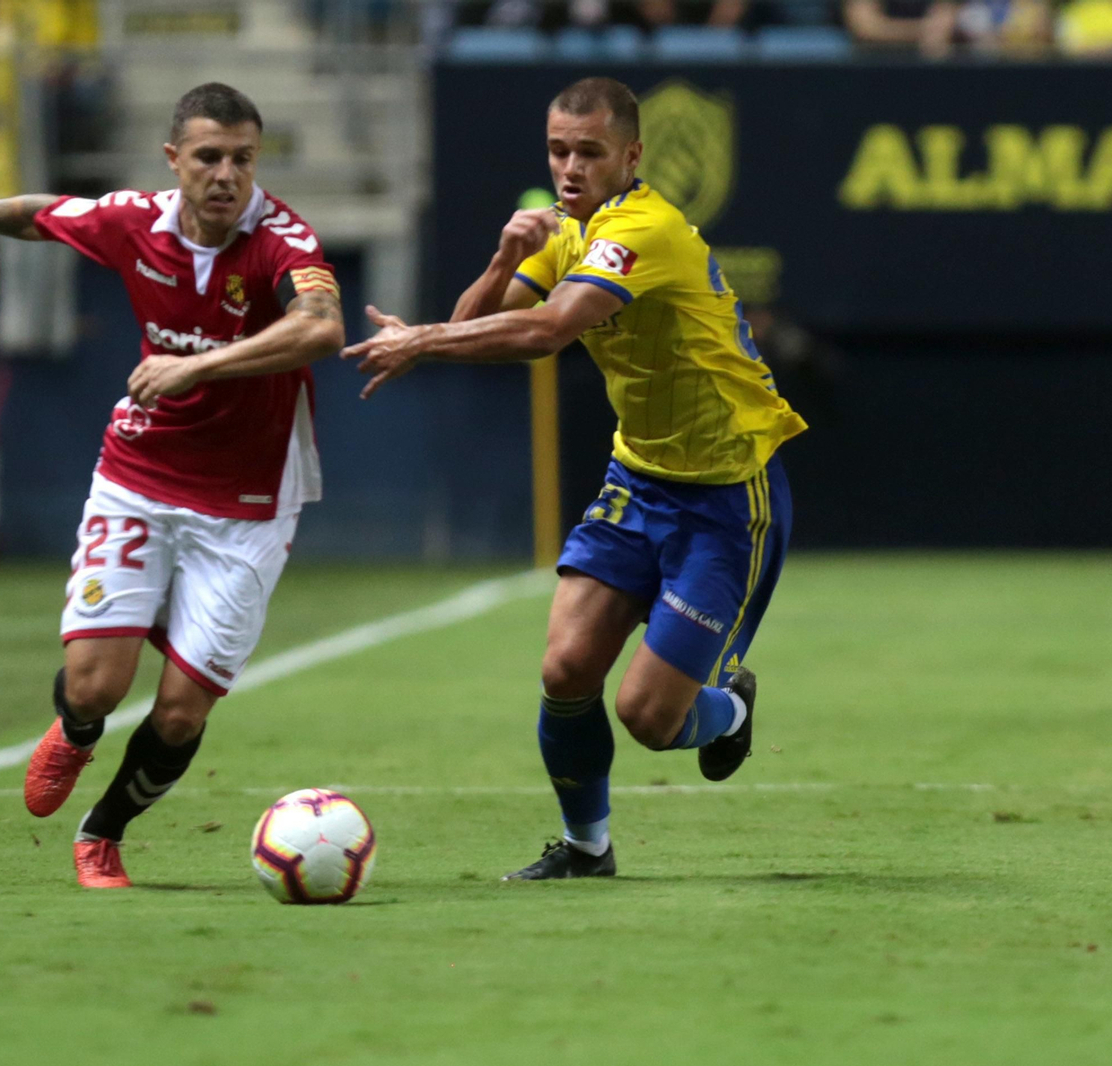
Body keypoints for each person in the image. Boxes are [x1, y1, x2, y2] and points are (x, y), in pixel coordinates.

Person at [341, 77, 806, 881]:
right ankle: (587, 849)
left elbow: (549, 330)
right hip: (639, 480)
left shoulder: (645, 229)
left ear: (631, 155)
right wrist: (502, 258)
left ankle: (728, 711)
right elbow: (466, 327)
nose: (569, 167)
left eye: (589, 152)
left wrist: (419, 341)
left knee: (650, 718)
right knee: (564, 672)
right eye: (559, 149)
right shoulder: (564, 234)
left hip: (727, 495)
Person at [0, 83, 345, 889]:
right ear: (173, 161)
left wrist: (195, 365)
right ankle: (74, 727)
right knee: (96, 685)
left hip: (246, 503)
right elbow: (42, 213)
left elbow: (320, 327)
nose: (226, 175)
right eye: (208, 157)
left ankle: (102, 834)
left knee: (180, 710)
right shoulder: (136, 219)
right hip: (140, 474)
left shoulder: (283, 239)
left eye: (242, 158)